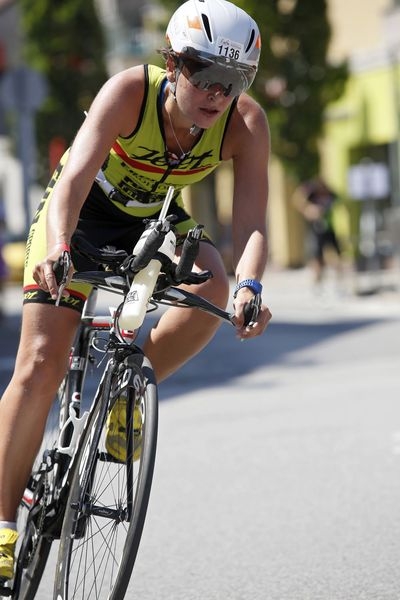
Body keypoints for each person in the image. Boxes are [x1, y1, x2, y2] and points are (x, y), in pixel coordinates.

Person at [0, 0, 272, 581]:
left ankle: (127, 393)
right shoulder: (130, 92)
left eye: (234, 80)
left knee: (215, 283)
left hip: (156, 216)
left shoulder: (245, 123)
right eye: (205, 72)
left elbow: (251, 224)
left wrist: (250, 286)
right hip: (83, 213)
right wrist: (58, 247)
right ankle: (1, 526)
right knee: (41, 362)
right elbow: (73, 179)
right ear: (173, 63)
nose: (217, 93)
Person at [293, 176, 342, 286]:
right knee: (317, 255)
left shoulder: (331, 195)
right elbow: (298, 200)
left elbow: (339, 199)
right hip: (316, 229)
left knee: (336, 252)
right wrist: (308, 210)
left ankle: (338, 277)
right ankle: (317, 279)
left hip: (329, 228)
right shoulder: (312, 196)